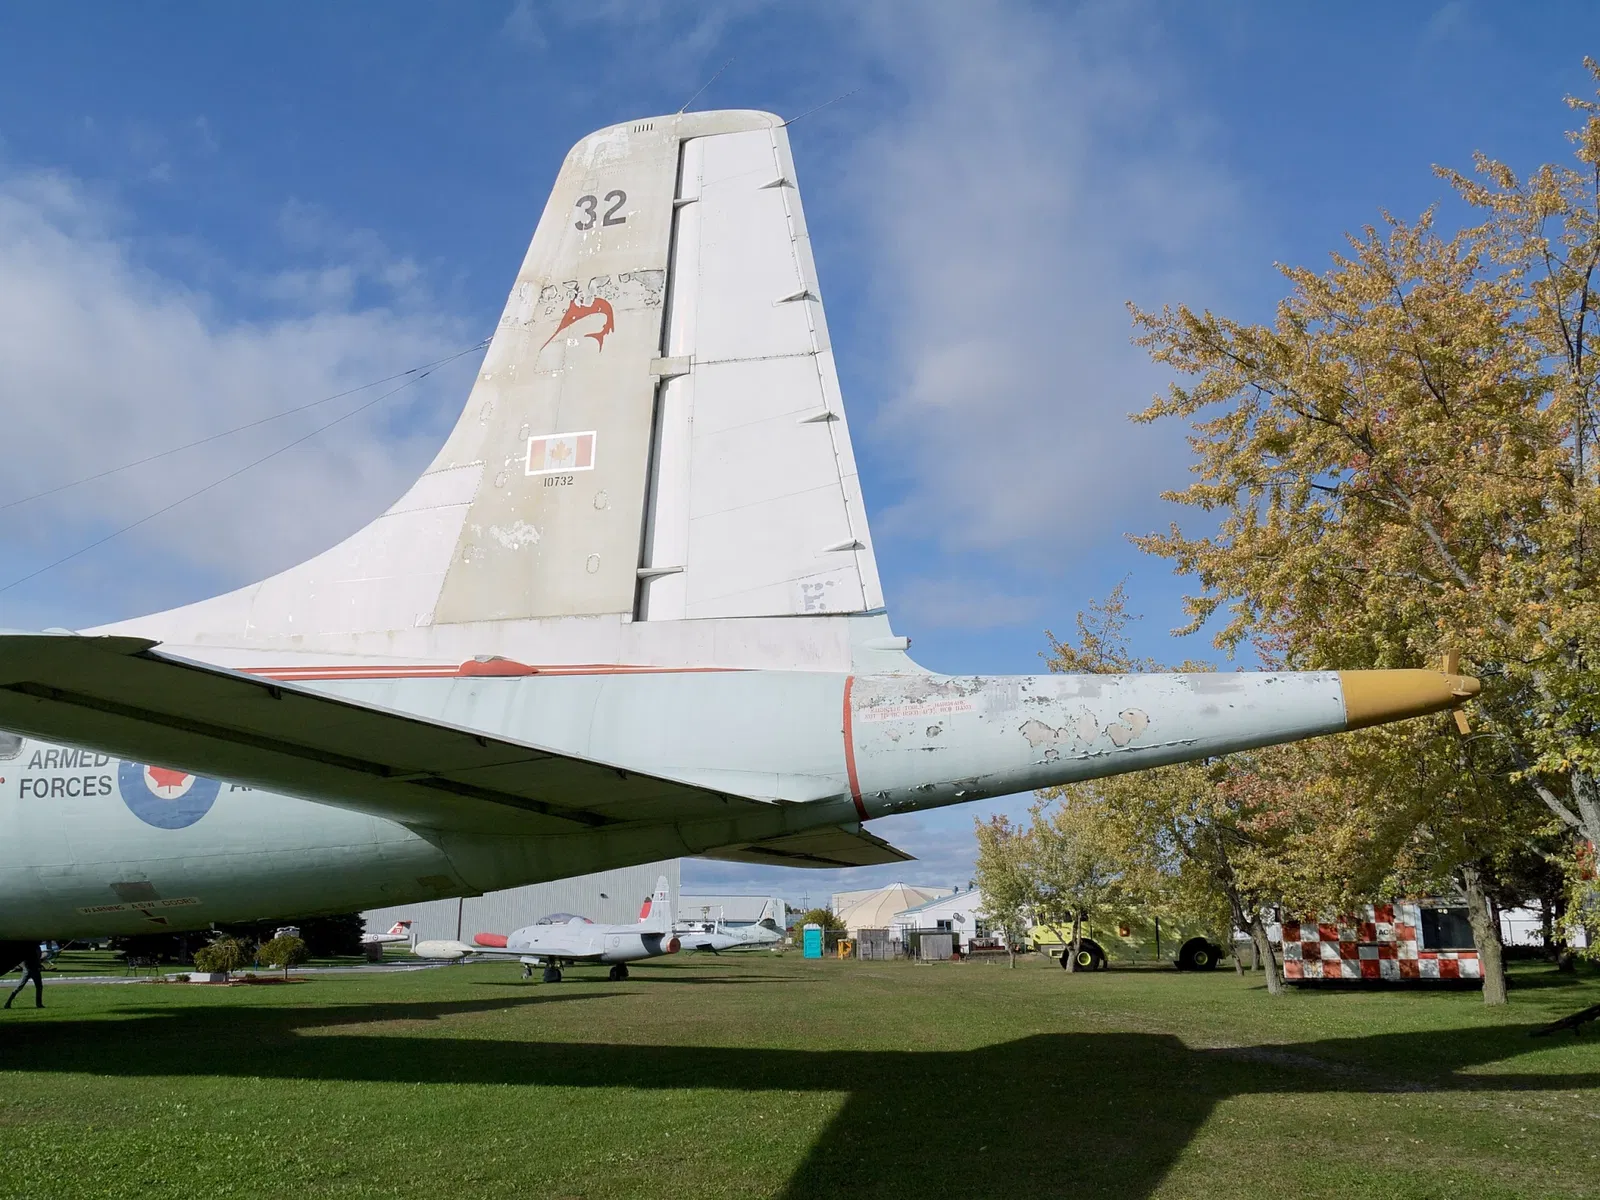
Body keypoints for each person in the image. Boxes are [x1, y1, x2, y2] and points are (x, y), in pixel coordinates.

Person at [1, 940, 44, 1009]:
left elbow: (36, 959)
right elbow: (29, 959)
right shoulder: (31, 948)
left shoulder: (34, 948)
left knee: (19, 987)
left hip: (30, 970)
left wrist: (38, 964)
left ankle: (8, 1003)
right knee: (37, 987)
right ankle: (38, 1004)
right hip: (31, 970)